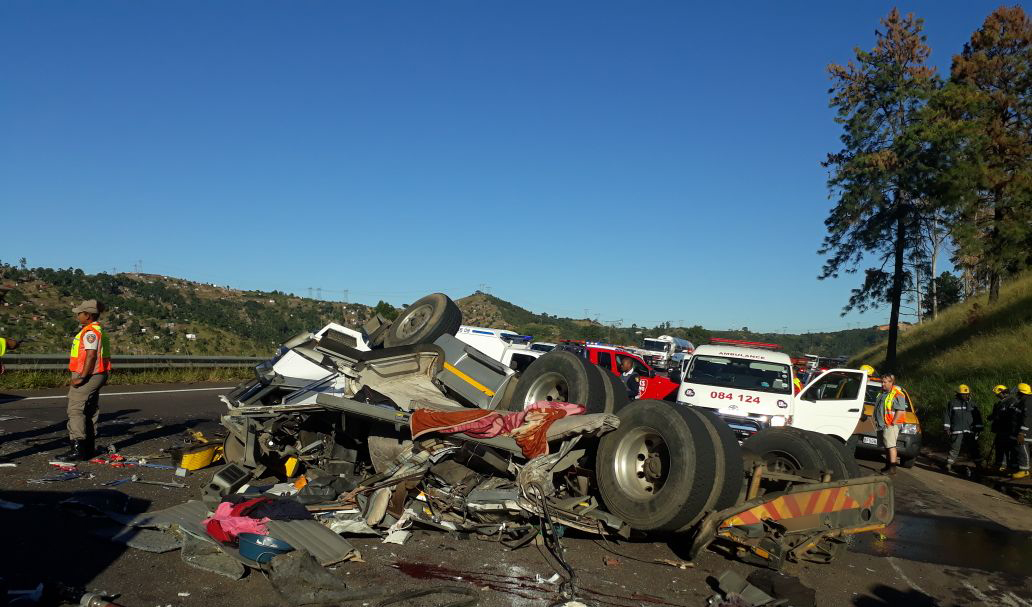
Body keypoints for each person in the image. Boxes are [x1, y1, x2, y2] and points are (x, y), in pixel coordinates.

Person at [56, 299, 112, 462]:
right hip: (98, 373)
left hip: (89, 374)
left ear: (87, 315)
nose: (77, 315)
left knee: (75, 409)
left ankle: (78, 448)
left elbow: (91, 355)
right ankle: (88, 448)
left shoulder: (90, 332)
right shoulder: (97, 330)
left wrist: (82, 377)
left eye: (80, 313)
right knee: (89, 409)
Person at [944, 384, 983, 473]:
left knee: (974, 448)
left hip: (970, 431)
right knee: (955, 448)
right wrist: (947, 428)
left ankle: (979, 465)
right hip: (957, 430)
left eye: (967, 394)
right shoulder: (952, 403)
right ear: (958, 394)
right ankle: (949, 464)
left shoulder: (973, 404)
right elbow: (947, 416)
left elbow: (978, 418)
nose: (965, 396)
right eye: (963, 394)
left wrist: (979, 428)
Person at [872, 374, 907, 475]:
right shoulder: (882, 393)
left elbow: (900, 411)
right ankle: (887, 466)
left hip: (890, 424)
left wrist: (892, 423)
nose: (882, 384)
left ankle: (892, 468)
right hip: (882, 424)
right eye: (882, 382)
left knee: (891, 446)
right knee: (887, 446)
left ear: (891, 382)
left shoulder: (897, 394)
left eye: (884, 382)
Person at [987, 385, 1016, 472]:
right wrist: (991, 417)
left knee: (1007, 449)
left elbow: (1012, 416)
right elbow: (995, 414)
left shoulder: (1012, 401)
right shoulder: (999, 403)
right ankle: (999, 465)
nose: (997, 396)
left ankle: (1008, 466)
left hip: (1008, 430)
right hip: (1000, 430)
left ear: (1003, 393)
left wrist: (1000, 417)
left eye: (998, 394)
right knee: (999, 447)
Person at [1012, 383, 1032, 480]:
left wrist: (1022, 432)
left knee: (1022, 447)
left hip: (1026, 431)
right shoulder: (1024, 400)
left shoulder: (1027, 401)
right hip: (1026, 430)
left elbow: (1027, 418)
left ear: (1021, 392)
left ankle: (1024, 470)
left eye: (1018, 392)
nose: (1017, 394)